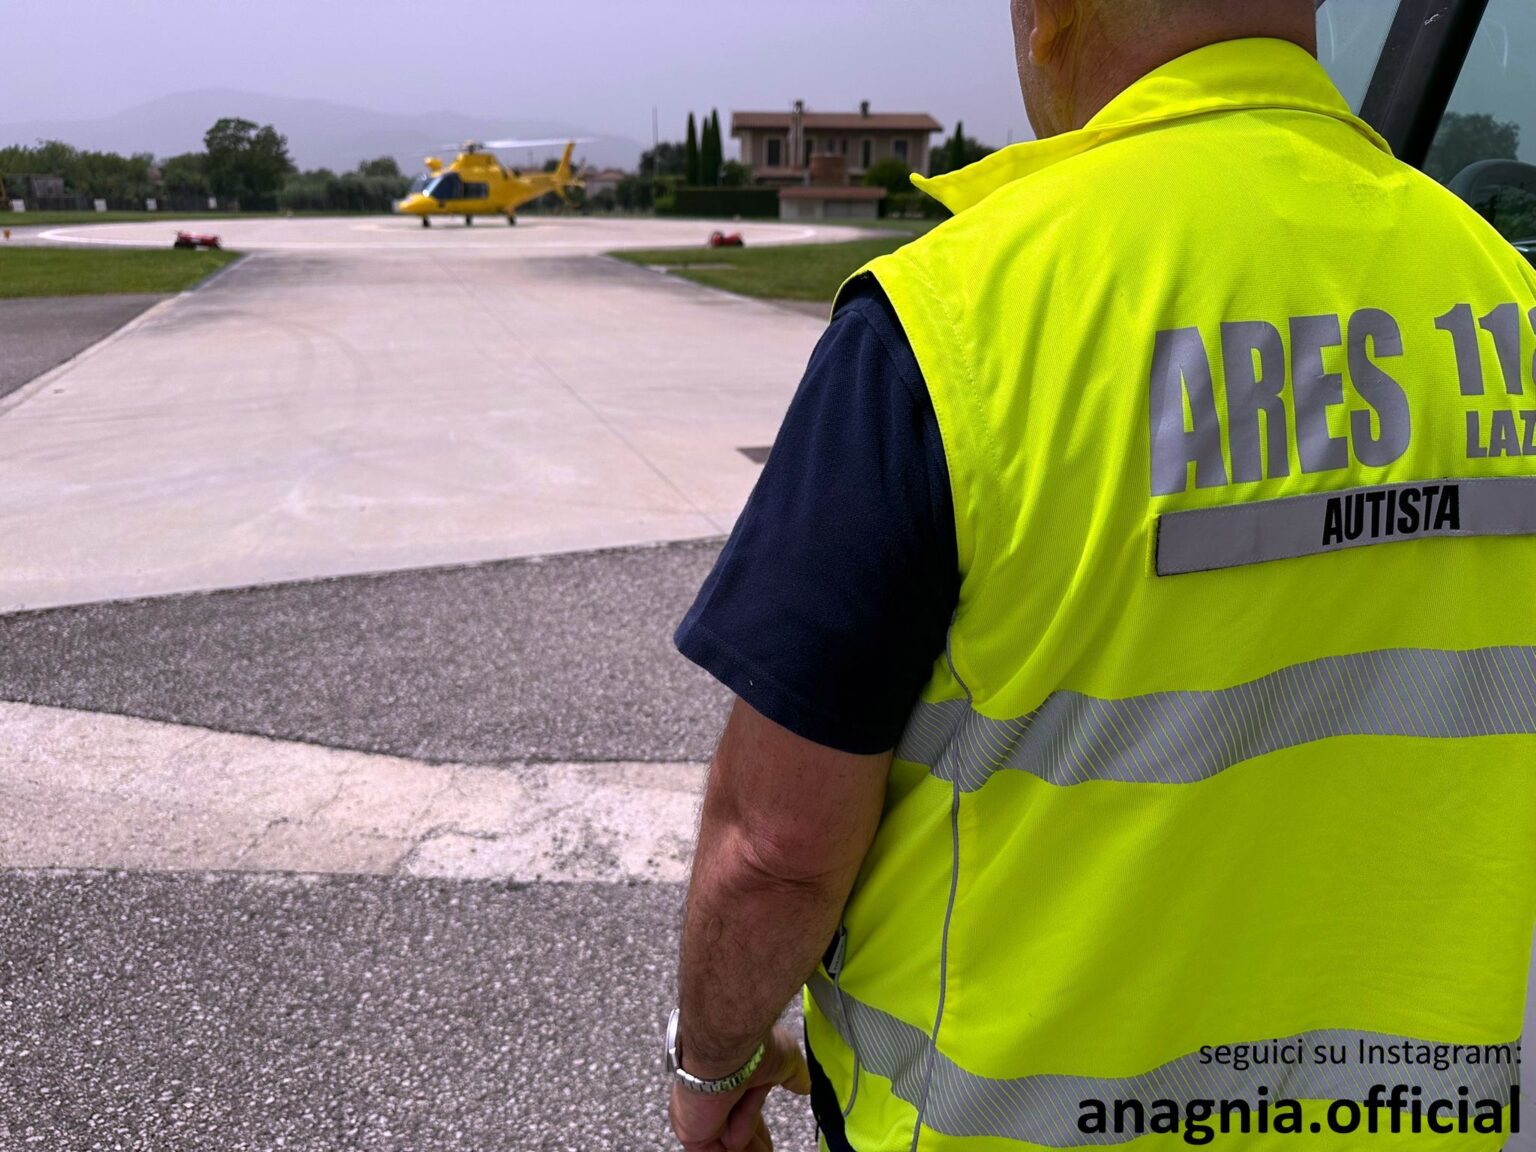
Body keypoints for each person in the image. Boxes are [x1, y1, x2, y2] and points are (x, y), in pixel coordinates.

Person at [666, 1, 1536, 1148]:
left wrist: (711, 1059)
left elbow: (773, 850)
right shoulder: (1508, 300)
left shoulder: (952, 326)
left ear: (1049, 17)